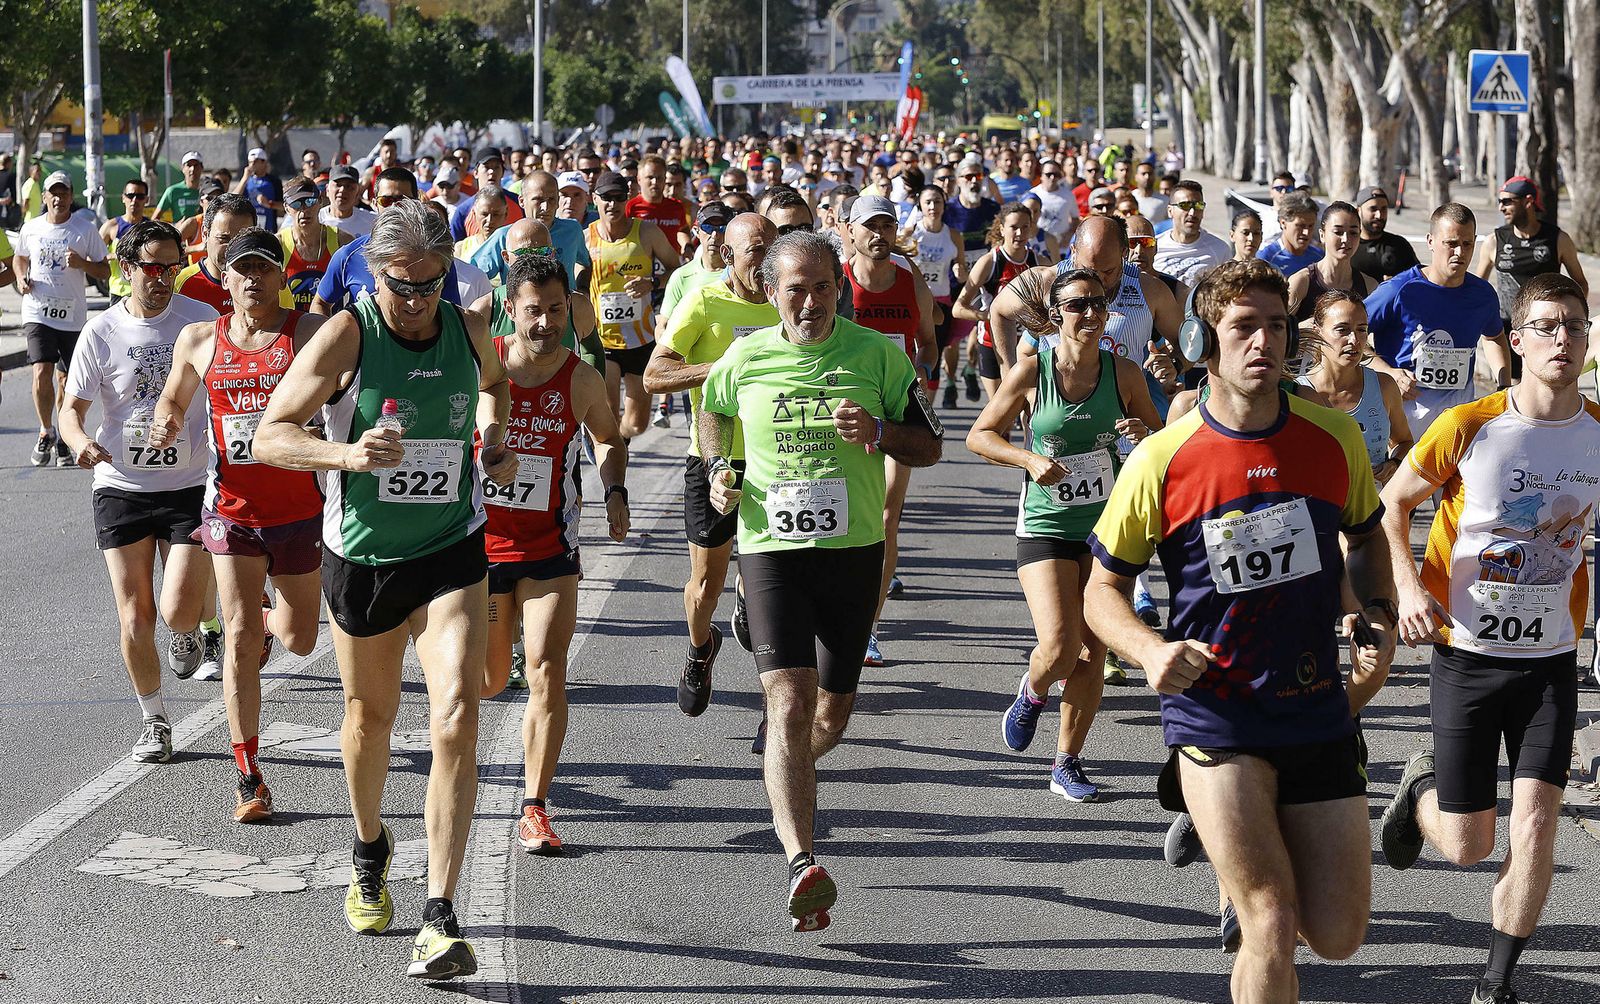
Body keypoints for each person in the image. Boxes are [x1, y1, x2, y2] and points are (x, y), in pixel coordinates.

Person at [1083, 257, 1396, 1001]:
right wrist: (1149, 649)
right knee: (1270, 918)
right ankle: (1215, 815)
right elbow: (1101, 591)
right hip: (1214, 711)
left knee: (1339, 935)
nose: (1263, 342)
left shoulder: (1334, 438)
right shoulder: (1163, 459)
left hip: (1315, 704)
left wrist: (1375, 609)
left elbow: (1369, 534)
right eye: (1243, 327)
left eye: (1276, 326)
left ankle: (1221, 832)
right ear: (1205, 342)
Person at [254, 200, 515, 980]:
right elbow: (272, 434)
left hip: (450, 548)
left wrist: (492, 439)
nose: (416, 302)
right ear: (377, 275)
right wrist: (346, 456)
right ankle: (370, 843)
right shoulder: (348, 334)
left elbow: (497, 384)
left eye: (431, 286)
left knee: (457, 714)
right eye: (403, 286)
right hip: (362, 557)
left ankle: (439, 913)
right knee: (369, 719)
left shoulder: (468, 331)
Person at [698, 230, 942, 933]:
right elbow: (714, 412)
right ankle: (801, 858)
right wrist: (718, 470)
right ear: (771, 292)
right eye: (795, 289)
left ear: (841, 288)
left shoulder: (876, 356)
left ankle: (785, 773)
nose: (810, 302)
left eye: (823, 287)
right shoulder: (746, 355)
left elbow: (929, 445)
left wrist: (878, 431)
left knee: (829, 717)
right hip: (771, 549)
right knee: (792, 702)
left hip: (853, 552)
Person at [1378, 273, 1598, 1004]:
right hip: (1467, 655)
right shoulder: (1469, 424)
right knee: (1470, 844)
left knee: (1536, 822)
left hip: (1551, 660)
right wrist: (1409, 589)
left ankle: (1495, 984)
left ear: (1588, 338)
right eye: (1545, 325)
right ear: (1517, 340)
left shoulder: (1598, 432)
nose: (1560, 337)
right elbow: (1392, 505)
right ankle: (1418, 795)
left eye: (1573, 324)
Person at [149, 227, 326, 822]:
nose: (252, 278)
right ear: (224, 277)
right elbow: (174, 398)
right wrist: (166, 423)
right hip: (231, 508)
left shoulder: (306, 333)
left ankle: (272, 625)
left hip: (299, 509)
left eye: (264, 269)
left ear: (282, 277)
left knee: (300, 638)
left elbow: (345, 387)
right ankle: (248, 773)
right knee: (240, 635)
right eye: (240, 269)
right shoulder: (200, 338)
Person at [968, 267, 1161, 802]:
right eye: (1078, 306)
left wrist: (1142, 433)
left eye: (1099, 304)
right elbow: (980, 436)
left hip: (1105, 528)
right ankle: (1031, 692)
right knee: (1059, 647)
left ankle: (1066, 762)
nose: (1091, 314)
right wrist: (1028, 458)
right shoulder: (1033, 371)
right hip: (1047, 524)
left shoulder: (1124, 373)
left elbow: (1158, 442)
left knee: (1093, 654)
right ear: (1056, 317)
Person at [480, 253, 630, 855]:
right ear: (511, 309)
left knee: (546, 669)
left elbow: (609, 439)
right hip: (479, 548)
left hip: (550, 549)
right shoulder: (480, 364)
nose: (545, 323)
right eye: (534, 311)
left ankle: (535, 805)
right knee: (490, 680)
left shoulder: (581, 379)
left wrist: (615, 489)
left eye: (557, 311)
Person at [56, 220, 221, 763]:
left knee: (177, 609)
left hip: (188, 484)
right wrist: (80, 443)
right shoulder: (101, 332)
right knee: (134, 616)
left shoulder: (200, 321)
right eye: (152, 267)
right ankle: (154, 720)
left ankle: (191, 628)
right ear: (127, 269)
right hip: (121, 485)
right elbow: (71, 413)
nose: (163, 277)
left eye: (172, 266)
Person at [645, 214, 781, 715]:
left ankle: (780, 704)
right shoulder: (703, 300)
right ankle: (700, 650)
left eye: (773, 248)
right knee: (705, 587)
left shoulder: (788, 301)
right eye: (755, 252)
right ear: (728, 255)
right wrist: (722, 368)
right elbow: (654, 376)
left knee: (777, 581)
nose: (766, 262)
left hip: (781, 458)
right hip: (714, 458)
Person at [845, 195, 939, 665]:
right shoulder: (837, 284)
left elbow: (927, 343)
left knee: (885, 517)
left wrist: (922, 386)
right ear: (851, 231)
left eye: (888, 225)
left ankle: (869, 626)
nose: (880, 235)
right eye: (871, 226)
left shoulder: (908, 279)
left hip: (896, 415)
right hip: (843, 415)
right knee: (846, 517)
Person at [1364, 203, 1509, 441]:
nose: (1460, 253)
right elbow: (1351, 337)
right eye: (1451, 244)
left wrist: (1503, 387)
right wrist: (1389, 373)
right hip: (1405, 419)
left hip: (1459, 417)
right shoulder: (1399, 290)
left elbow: (1494, 337)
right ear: (1431, 241)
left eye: (1467, 244)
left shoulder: (1482, 294)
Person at [14, 170, 111, 467]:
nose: (58, 198)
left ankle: (64, 436)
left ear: (71, 196)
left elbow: (105, 271)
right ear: (44, 197)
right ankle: (46, 430)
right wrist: (20, 278)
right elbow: (20, 257)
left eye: (64, 192)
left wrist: (82, 263)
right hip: (37, 311)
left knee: (66, 379)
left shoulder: (84, 230)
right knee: (41, 370)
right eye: (53, 193)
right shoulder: (31, 228)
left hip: (71, 316)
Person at [585, 170, 680, 439]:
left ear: (627, 199)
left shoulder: (647, 232)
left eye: (618, 198)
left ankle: (619, 441)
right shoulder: (585, 238)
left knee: (637, 424)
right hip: (602, 339)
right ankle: (609, 451)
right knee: (609, 410)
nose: (612, 204)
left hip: (641, 339)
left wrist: (652, 283)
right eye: (606, 198)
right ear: (595, 200)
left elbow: (675, 269)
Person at [312, 168, 470, 314]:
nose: (394, 207)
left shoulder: (435, 256)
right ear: (374, 204)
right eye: (386, 201)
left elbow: (452, 313)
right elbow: (320, 303)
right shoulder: (349, 255)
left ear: (417, 203)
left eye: (402, 200)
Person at [1296, 291, 1411, 485]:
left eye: (1361, 330)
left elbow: (1405, 441)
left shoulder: (1384, 386)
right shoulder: (1298, 392)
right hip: (1320, 508)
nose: (1354, 340)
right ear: (1317, 332)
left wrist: (1394, 463)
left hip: (1375, 509)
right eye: (1342, 329)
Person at [1471, 176, 1589, 351]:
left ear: (1528, 201)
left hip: (1546, 332)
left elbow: (1581, 283)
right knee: (1510, 380)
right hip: (1506, 331)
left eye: (1507, 201)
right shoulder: (1494, 241)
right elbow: (1476, 288)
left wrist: (1572, 318)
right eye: (1499, 201)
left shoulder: (1558, 239)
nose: (1501, 208)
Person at [955, 202, 1039, 401]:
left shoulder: (1039, 262)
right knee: (1001, 408)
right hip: (992, 343)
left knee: (1028, 408)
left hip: (1027, 344)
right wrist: (990, 316)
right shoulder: (989, 262)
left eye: (1025, 227)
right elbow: (958, 308)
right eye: (1013, 227)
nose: (1019, 232)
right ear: (1002, 228)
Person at [904, 184, 969, 410]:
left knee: (933, 356)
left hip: (940, 303)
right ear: (920, 206)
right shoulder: (910, 234)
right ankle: (907, 405)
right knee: (909, 356)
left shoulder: (953, 235)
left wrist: (961, 273)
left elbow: (961, 271)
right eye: (928, 202)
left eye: (937, 202)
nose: (933, 207)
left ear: (944, 205)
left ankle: (927, 413)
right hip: (913, 302)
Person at [1286, 201, 1371, 329]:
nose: (1346, 239)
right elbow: (1279, 330)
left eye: (1353, 233)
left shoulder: (1369, 286)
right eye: (1338, 232)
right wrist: (1305, 328)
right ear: (1322, 235)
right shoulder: (1301, 282)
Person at [175, 193, 257, 316]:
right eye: (224, 239)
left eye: (242, 239)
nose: (232, 248)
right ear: (204, 234)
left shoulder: (270, 285)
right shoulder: (177, 285)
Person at [277, 176, 344, 310]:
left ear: (320, 201)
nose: (304, 210)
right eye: (296, 204)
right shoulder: (277, 243)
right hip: (291, 328)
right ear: (286, 207)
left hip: (330, 327)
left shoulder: (341, 240)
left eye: (310, 201)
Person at [1154, 180, 1232, 286]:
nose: (1192, 213)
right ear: (1170, 211)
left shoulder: (1220, 250)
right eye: (1185, 205)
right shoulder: (1154, 247)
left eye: (1198, 206)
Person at [1350, 185, 1418, 285]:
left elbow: (1418, 280)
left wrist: (1397, 282)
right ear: (1358, 211)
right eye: (1373, 209)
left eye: (1383, 209)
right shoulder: (1348, 245)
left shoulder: (1399, 245)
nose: (1379, 215)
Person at [627, 154, 692, 253]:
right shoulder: (630, 207)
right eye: (650, 177)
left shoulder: (677, 207)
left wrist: (687, 246)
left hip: (671, 266)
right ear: (639, 179)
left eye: (659, 178)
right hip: (641, 265)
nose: (655, 182)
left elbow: (682, 229)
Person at [100, 178, 150, 305]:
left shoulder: (151, 228)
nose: (134, 200)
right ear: (123, 198)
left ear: (146, 199)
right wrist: (113, 256)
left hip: (144, 289)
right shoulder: (111, 226)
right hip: (119, 291)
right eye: (130, 195)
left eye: (139, 196)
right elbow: (94, 256)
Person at [1256, 191, 1323, 277]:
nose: (1306, 232)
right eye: (1300, 226)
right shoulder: (1266, 259)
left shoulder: (1320, 257)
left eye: (1310, 226)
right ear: (1283, 223)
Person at [321, 164, 376, 239]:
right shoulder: (317, 220)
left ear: (357, 192)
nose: (343, 190)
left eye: (349, 186)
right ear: (327, 190)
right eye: (338, 185)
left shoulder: (372, 222)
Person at [235, 148, 284, 231]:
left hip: (269, 228)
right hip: (248, 227)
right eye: (250, 162)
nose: (251, 165)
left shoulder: (274, 181)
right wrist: (245, 178)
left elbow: (283, 207)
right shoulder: (246, 181)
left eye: (254, 162)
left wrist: (269, 204)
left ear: (264, 162)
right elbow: (234, 197)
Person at [154, 152, 205, 225]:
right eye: (189, 165)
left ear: (202, 168)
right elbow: (154, 219)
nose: (192, 169)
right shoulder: (173, 191)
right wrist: (173, 226)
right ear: (183, 169)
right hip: (180, 235)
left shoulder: (208, 191)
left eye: (196, 165)